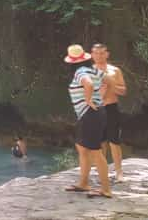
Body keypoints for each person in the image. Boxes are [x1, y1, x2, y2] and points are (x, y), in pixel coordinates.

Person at [62, 44, 111, 199]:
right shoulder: (93, 70)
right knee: (82, 147)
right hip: (93, 113)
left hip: (90, 114)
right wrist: (99, 97)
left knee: (95, 151)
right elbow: (108, 80)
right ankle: (83, 183)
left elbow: (88, 84)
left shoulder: (80, 72)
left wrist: (89, 99)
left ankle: (106, 189)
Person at [91, 43, 127, 182]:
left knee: (114, 141)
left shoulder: (115, 71)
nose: (99, 56)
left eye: (102, 53)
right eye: (96, 53)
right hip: (96, 108)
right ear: (92, 55)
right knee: (99, 142)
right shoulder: (88, 71)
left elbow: (123, 91)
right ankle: (102, 171)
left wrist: (111, 85)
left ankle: (119, 172)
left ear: (107, 54)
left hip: (111, 107)